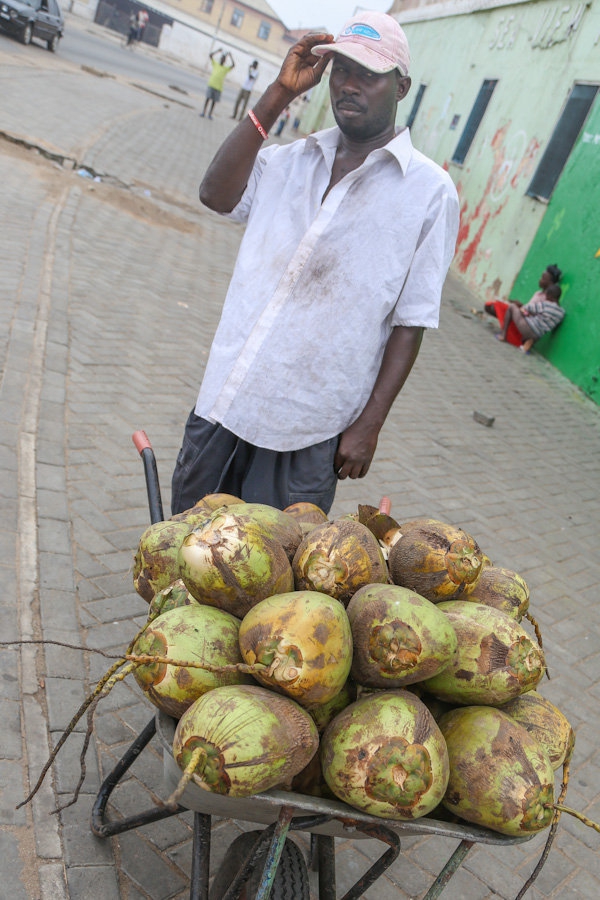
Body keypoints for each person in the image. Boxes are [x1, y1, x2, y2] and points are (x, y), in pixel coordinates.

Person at [171, 12, 459, 516]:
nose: (349, 85)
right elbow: (215, 195)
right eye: (342, 70)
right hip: (226, 400)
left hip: (311, 429)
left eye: (368, 74)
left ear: (402, 86)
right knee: (183, 551)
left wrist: (370, 424)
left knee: (274, 579)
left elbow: (410, 323)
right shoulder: (289, 160)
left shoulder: (430, 193)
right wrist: (279, 94)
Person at [483, 264, 562, 347]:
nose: (540, 280)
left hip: (526, 325)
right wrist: (520, 306)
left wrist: (520, 307)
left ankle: (504, 334)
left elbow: (530, 312)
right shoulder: (541, 295)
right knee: (491, 306)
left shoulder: (547, 301)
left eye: (543, 278)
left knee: (509, 307)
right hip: (528, 323)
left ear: (550, 283)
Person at [498, 281, 565, 351]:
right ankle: (527, 342)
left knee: (512, 307)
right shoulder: (561, 313)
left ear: (550, 296)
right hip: (537, 336)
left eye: (546, 296)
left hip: (528, 328)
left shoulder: (546, 305)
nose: (546, 298)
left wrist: (522, 308)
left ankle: (503, 334)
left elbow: (527, 307)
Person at [201, 49, 235, 120]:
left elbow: (233, 65)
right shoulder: (215, 64)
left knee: (214, 101)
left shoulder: (225, 68)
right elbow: (210, 55)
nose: (222, 60)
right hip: (211, 84)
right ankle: (203, 112)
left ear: (225, 61)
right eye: (222, 58)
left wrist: (230, 56)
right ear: (220, 59)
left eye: (224, 59)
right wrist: (217, 51)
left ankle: (210, 114)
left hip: (218, 87)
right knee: (207, 99)